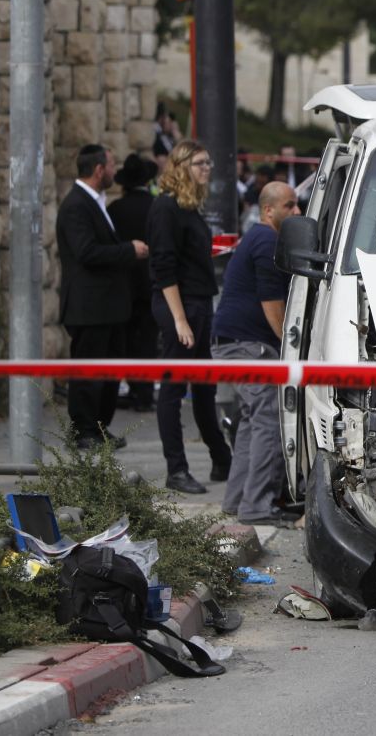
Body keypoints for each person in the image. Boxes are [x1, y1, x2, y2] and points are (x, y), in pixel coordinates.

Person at [148, 139, 234, 494]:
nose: (207, 169)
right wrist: (180, 319)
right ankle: (176, 468)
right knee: (173, 389)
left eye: (209, 162)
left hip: (199, 302)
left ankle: (221, 458)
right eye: (200, 163)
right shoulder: (165, 208)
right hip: (179, 305)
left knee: (204, 386)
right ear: (182, 166)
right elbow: (163, 267)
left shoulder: (188, 207)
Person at [215, 182, 300, 527]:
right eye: (289, 206)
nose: (296, 212)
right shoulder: (266, 240)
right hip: (248, 346)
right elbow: (272, 306)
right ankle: (257, 506)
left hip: (236, 343)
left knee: (252, 423)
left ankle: (238, 502)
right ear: (268, 210)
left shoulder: (258, 237)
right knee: (268, 421)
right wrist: (289, 350)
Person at [57, 144, 149, 448]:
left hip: (107, 308)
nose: (114, 171)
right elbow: (85, 252)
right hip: (89, 308)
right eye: (111, 165)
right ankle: (82, 430)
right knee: (88, 372)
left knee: (108, 372)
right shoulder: (75, 206)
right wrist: (128, 250)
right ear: (99, 170)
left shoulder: (94, 202)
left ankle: (98, 427)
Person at [108, 153, 159, 412]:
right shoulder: (156, 206)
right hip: (152, 285)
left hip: (124, 285)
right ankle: (146, 393)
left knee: (126, 340)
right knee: (148, 340)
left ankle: (130, 386)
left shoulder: (115, 210)